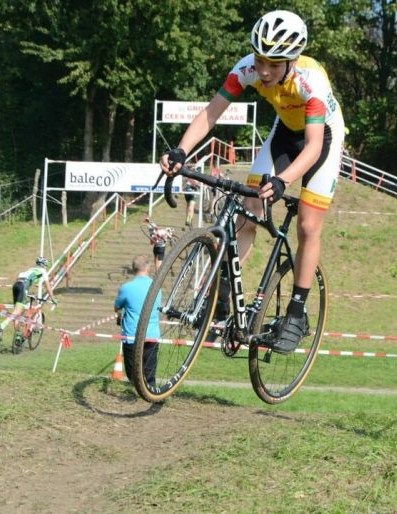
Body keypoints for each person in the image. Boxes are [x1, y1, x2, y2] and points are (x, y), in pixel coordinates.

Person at [160, 10, 344, 354]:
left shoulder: (311, 81)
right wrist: (181, 151)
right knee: (248, 212)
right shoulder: (246, 68)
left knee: (307, 225)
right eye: (260, 60)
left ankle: (297, 312)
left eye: (274, 64)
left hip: (323, 139)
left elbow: (315, 145)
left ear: (292, 59)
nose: (263, 71)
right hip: (285, 135)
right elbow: (210, 113)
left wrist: (283, 181)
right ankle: (222, 295)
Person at [114, 255, 162, 385]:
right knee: (150, 371)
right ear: (148, 267)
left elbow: (116, 307)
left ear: (133, 268)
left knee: (132, 372)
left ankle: (135, 387)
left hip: (131, 334)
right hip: (151, 334)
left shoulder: (126, 288)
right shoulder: (156, 287)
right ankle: (150, 389)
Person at [0, 257, 56, 344]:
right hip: (23, 287)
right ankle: (1, 326)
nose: (46, 268)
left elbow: (32, 283)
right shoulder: (42, 271)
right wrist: (53, 299)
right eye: (46, 266)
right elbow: (48, 286)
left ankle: (18, 335)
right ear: (43, 265)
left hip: (16, 286)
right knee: (17, 312)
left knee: (17, 313)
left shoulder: (29, 270)